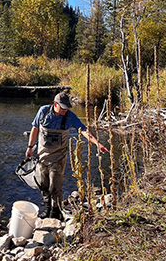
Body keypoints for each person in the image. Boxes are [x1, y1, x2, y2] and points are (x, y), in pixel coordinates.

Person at [25, 92, 108, 220]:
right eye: (62, 107)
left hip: (58, 158)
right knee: (43, 185)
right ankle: (47, 208)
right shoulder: (43, 111)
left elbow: (84, 130)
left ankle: (56, 211)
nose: (65, 110)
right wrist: (30, 147)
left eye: (67, 107)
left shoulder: (70, 117)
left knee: (55, 187)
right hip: (42, 156)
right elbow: (35, 128)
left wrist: (98, 144)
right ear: (55, 104)